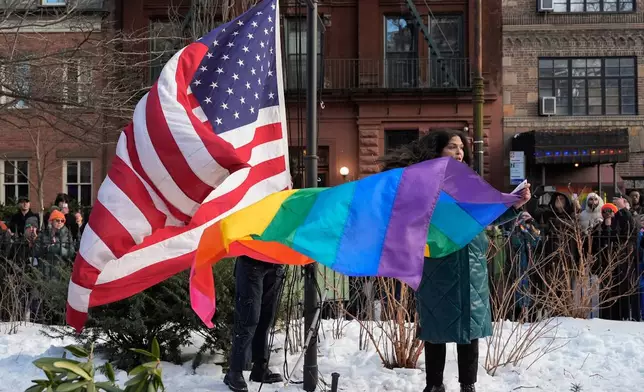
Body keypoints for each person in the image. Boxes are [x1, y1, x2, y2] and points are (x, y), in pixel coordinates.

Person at [379, 130, 531, 392]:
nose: (459, 152)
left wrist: (514, 205)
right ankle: (434, 385)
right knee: (435, 327)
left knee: (469, 328)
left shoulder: (469, 182)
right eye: (452, 147)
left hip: (471, 264)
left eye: (462, 148)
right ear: (437, 151)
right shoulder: (422, 183)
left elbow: (486, 219)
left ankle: (467, 385)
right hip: (438, 262)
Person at [223, 255, 286, 392]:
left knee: (266, 317)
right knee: (249, 318)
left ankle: (260, 368)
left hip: (276, 261)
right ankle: (235, 371)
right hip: (251, 260)